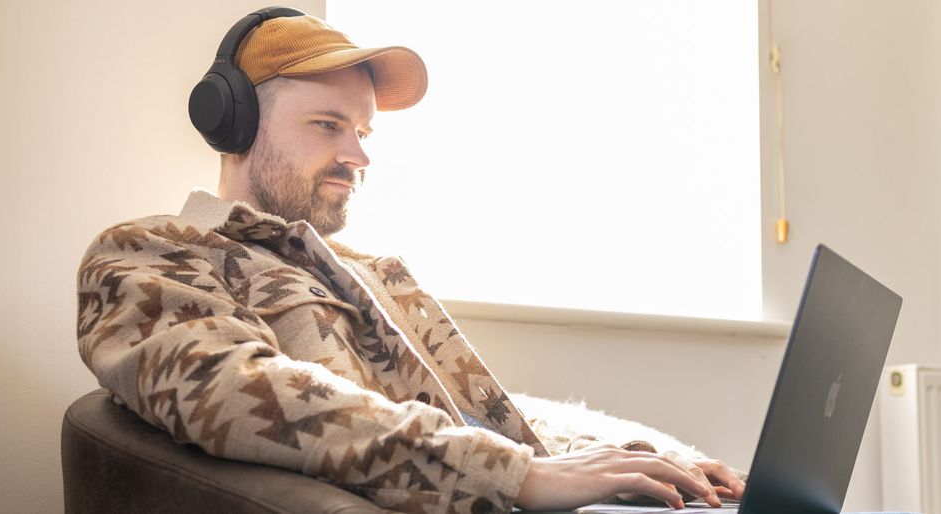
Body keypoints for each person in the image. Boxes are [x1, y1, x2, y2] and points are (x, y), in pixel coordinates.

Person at [75, 8, 746, 513]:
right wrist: (519, 476)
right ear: (236, 124)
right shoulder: (152, 257)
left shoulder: (366, 269)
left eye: (363, 132)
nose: (359, 157)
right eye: (328, 124)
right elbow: (243, 394)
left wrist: (653, 457)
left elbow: (484, 415)